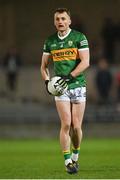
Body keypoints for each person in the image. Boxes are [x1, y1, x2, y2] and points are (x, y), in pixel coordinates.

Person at [41, 8, 90, 174]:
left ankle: (76, 155)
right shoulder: (50, 41)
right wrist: (48, 82)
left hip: (77, 84)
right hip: (60, 87)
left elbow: (85, 62)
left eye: (63, 19)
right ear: (54, 22)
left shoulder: (79, 37)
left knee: (76, 126)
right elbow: (43, 66)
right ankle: (68, 161)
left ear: (69, 21)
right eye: (57, 19)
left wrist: (71, 76)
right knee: (66, 124)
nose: (60, 22)